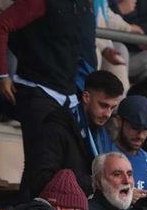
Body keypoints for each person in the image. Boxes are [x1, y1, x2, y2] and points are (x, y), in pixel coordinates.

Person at [0, 0, 96, 148]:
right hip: (38, 91)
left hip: (68, 94)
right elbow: (0, 26)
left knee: (68, 167)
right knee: (42, 163)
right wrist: (2, 75)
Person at [20, 70, 124, 202]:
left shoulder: (103, 133)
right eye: (103, 105)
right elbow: (43, 181)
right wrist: (94, 183)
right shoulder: (55, 128)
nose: (108, 114)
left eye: (112, 108)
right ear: (86, 97)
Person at [116, 95, 147, 193]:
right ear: (119, 121)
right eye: (135, 128)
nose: (141, 136)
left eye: (145, 129)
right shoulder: (104, 156)